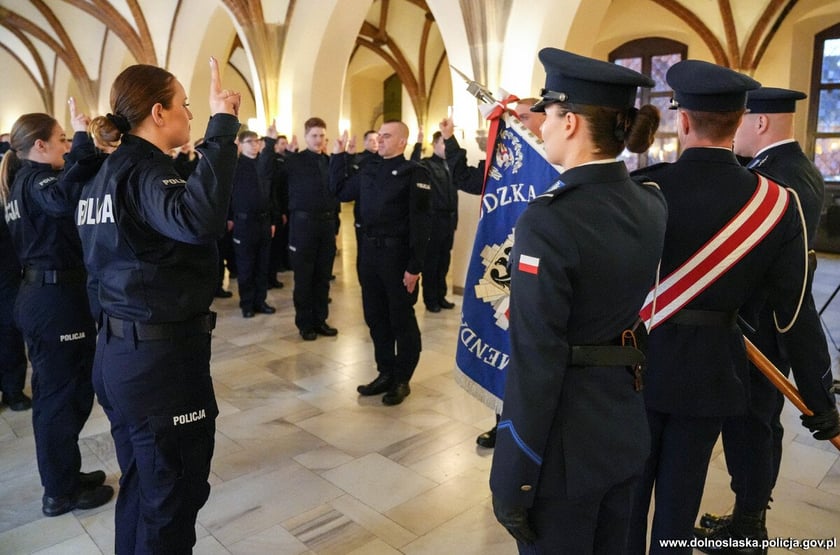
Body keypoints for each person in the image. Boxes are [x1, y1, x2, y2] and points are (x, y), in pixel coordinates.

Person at [627, 61, 840, 554]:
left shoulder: (646, 190)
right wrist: (820, 400)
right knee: (680, 507)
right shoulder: (776, 203)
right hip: (712, 373)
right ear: (742, 116)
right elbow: (793, 314)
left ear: (682, 121)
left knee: (630, 499)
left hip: (640, 365)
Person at [488, 48, 665, 554]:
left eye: (547, 114)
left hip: (564, 455)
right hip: (624, 429)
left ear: (570, 123)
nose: (539, 124)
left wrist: (513, 475)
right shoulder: (650, 201)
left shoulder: (548, 220)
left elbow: (535, 360)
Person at [76, 57, 240, 553]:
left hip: (121, 352)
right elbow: (198, 220)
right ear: (158, 113)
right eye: (185, 105)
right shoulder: (145, 172)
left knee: (145, 487)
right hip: (158, 366)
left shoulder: (104, 174)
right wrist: (223, 126)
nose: (189, 114)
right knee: (172, 495)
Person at [693, 87, 829, 551]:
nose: (735, 131)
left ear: (761, 122)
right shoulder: (801, 169)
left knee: (750, 428)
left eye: (742, 120)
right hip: (771, 324)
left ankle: (749, 526)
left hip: (761, 329)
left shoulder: (776, 179)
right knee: (758, 425)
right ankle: (748, 514)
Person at [1, 103, 113, 517]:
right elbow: (65, 199)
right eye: (63, 138)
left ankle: (65, 475)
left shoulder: (21, 181)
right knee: (62, 399)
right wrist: (85, 140)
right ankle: (60, 492)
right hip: (53, 301)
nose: (68, 143)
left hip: (48, 298)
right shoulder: (37, 180)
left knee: (60, 395)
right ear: (41, 145)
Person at [444, 98, 545, 450]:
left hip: (541, 273)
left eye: (523, 117)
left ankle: (530, 429)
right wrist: (451, 141)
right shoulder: (506, 159)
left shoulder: (556, 163)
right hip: (506, 266)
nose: (514, 121)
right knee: (504, 344)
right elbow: (467, 178)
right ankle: (502, 423)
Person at [329, 121, 432, 405]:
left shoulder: (414, 173)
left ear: (402, 142)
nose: (380, 140)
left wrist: (415, 266)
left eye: (387, 136)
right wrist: (339, 156)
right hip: (369, 255)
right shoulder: (369, 168)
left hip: (397, 257)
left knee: (401, 319)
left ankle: (402, 379)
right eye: (379, 136)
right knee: (375, 318)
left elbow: (421, 224)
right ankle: (385, 372)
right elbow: (340, 191)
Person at [271, 117, 338, 341]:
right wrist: (269, 142)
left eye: (322, 136)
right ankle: (305, 323)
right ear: (306, 136)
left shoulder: (329, 161)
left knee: (322, 277)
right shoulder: (294, 161)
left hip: (327, 226)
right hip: (303, 225)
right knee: (304, 278)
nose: (318, 140)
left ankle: (320, 320)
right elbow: (273, 179)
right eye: (314, 136)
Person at [228, 129, 277, 318]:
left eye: (257, 141)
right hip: (244, 223)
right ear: (240, 144)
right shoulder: (236, 165)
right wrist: (230, 217)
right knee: (246, 266)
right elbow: (228, 195)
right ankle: (247, 304)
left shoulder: (263, 164)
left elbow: (270, 194)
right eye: (250, 141)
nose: (255, 144)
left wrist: (272, 219)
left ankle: (260, 301)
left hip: (264, 222)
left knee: (262, 265)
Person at [411, 129, 458, 312]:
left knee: (444, 261)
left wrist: (454, 222)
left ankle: (441, 295)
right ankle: (430, 299)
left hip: (448, 220)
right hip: (433, 221)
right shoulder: (427, 165)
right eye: (443, 143)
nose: (445, 147)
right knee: (431, 262)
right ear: (435, 145)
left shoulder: (450, 166)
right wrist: (417, 144)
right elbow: (413, 166)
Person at [0, 167, 30, 412]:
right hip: (8, 279)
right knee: (9, 336)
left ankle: (13, 390)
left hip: (8, 279)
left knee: (9, 335)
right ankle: (13, 391)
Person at [268, 134, 290, 285]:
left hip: (279, 207)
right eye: (280, 143)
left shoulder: (286, 160)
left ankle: (278, 269)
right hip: (271, 210)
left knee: (280, 242)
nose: (283, 146)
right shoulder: (271, 162)